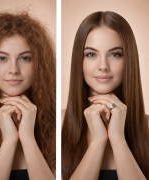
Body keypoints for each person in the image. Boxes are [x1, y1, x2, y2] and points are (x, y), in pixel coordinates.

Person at [62, 11, 149, 180]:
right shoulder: (58, 123)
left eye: (115, 54)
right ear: (79, 60)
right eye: (91, 54)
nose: (103, 66)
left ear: (128, 60)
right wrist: (98, 142)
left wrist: (117, 139)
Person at [0, 10, 56, 180]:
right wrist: (9, 142)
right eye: (2, 58)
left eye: (25, 58)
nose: (14, 69)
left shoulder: (59, 121)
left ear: (39, 65)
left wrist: (28, 139)